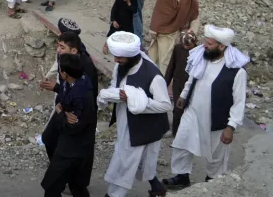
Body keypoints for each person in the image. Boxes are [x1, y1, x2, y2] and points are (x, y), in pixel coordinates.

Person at [163, 25, 249, 189]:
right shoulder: (202, 57)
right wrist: (183, 96)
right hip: (193, 112)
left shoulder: (236, 71)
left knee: (216, 154)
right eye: (205, 42)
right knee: (181, 143)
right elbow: (192, 78)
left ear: (222, 46)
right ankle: (182, 176)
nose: (204, 46)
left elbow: (239, 102)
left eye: (209, 44)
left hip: (217, 120)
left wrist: (231, 127)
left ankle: (212, 183)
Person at [98, 32, 172, 197]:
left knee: (125, 162)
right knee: (144, 160)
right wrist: (110, 95)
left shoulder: (152, 75)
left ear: (131, 56)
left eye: (120, 58)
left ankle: (113, 195)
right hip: (126, 121)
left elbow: (165, 104)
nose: (116, 60)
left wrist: (138, 101)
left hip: (144, 127)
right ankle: (157, 189)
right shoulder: (122, 66)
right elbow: (115, 83)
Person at [40, 53, 96, 197]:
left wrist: (60, 112)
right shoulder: (74, 81)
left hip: (73, 148)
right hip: (70, 144)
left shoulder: (81, 95)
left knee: (53, 186)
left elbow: (74, 125)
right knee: (76, 185)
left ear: (65, 73)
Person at [40, 30, 99, 161]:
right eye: (58, 46)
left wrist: (56, 88)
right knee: (48, 138)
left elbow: (83, 94)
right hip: (63, 107)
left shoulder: (86, 67)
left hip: (76, 114)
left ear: (73, 51)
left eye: (62, 47)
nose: (58, 50)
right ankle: (56, 166)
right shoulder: (63, 58)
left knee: (72, 149)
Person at [147, 0, 200, 74]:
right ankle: (159, 78)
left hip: (179, 33)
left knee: (174, 59)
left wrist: (192, 31)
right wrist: (154, 28)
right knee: (163, 58)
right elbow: (158, 12)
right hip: (163, 33)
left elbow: (195, 15)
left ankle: (168, 80)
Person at [165, 30, 197, 136]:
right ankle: (175, 133)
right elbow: (171, 66)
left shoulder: (199, 52)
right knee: (177, 109)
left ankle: (188, 134)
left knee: (190, 110)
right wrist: (165, 83)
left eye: (189, 45)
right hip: (178, 83)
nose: (186, 47)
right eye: (185, 45)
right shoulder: (178, 48)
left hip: (192, 86)